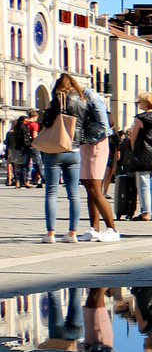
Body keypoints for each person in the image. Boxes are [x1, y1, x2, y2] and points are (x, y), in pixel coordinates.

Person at [35, 74, 90, 243]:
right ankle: (72, 233)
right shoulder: (82, 100)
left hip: (55, 149)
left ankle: (50, 233)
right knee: (74, 193)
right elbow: (86, 124)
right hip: (74, 150)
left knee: (51, 191)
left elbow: (47, 121)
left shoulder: (58, 99)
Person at [72, 77, 120, 241]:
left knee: (95, 188)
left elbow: (104, 125)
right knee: (88, 187)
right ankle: (94, 228)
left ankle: (112, 229)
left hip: (96, 144)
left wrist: (90, 137)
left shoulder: (92, 97)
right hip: (85, 144)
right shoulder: (79, 100)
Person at [124, 92, 152, 222]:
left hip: (143, 153)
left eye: (140, 101)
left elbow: (133, 137)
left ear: (146, 103)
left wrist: (133, 148)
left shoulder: (140, 118)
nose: (138, 103)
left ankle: (145, 212)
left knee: (143, 184)